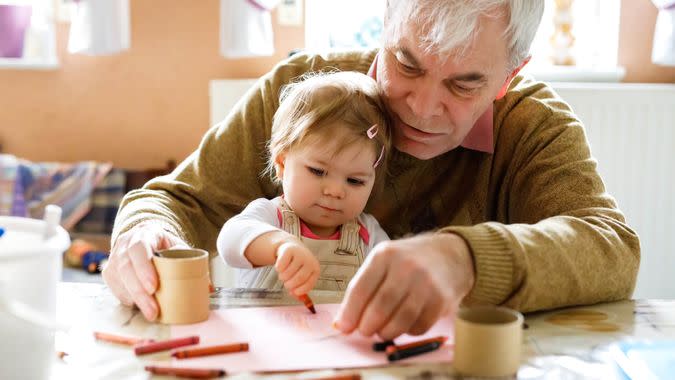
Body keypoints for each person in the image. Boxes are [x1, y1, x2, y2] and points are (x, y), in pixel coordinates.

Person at [104, 0, 640, 340]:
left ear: (509, 75)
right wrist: (145, 232)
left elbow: (611, 249)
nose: (422, 108)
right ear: (385, 23)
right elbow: (180, 200)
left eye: (464, 84)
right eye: (407, 63)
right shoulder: (304, 89)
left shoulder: (533, 125)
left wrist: (466, 258)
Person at [216, 71, 391, 296]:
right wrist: (278, 245)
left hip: (337, 331)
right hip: (267, 331)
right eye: (318, 171)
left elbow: (394, 275)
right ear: (282, 163)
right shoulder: (271, 216)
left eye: (355, 180)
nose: (335, 191)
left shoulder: (367, 234)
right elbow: (229, 242)